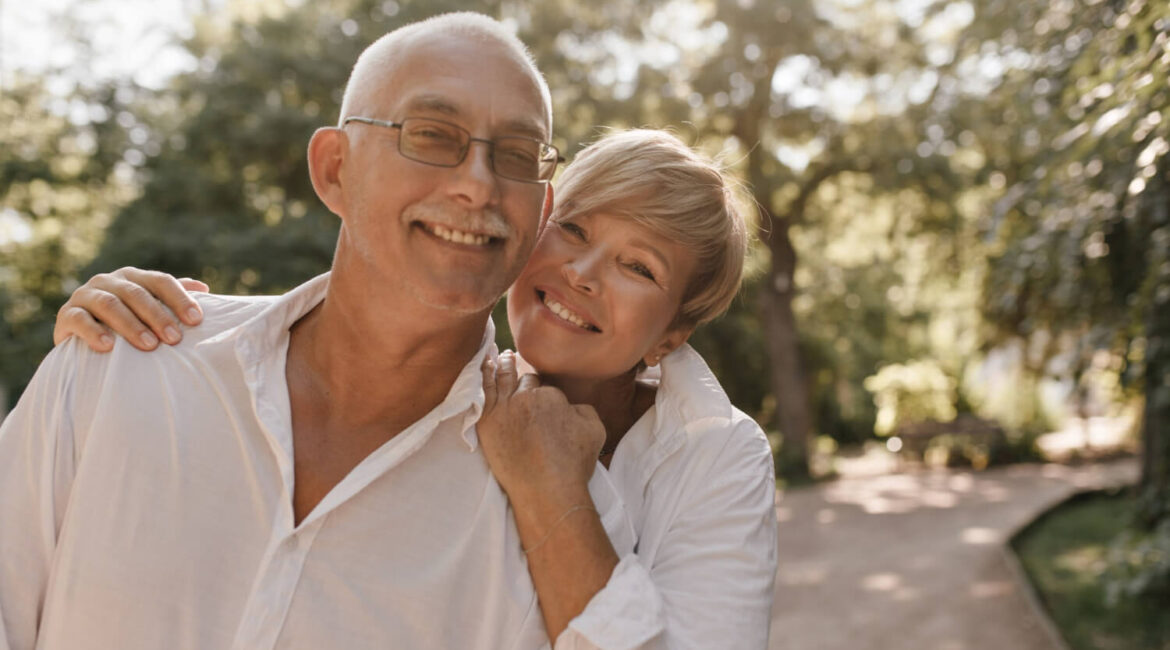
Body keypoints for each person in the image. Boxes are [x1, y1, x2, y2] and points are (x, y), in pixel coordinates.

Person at [0, 13, 599, 650]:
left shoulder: (559, 508)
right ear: (335, 169)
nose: (478, 184)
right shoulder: (113, 366)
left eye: (514, 155)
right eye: (432, 135)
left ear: (541, 212)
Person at [52, 129, 779, 648]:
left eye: (639, 268)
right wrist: (149, 329)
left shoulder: (717, 455)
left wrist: (552, 489)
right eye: (573, 229)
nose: (582, 271)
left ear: (669, 338)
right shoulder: (443, 385)